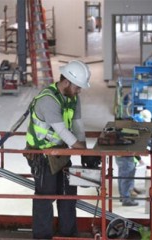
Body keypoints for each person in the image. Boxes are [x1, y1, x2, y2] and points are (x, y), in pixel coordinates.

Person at [25, 60, 91, 238]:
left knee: (68, 193)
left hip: (60, 153)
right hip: (41, 155)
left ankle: (68, 234)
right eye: (78, 87)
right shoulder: (48, 100)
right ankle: (42, 236)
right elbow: (62, 131)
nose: (79, 90)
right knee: (45, 197)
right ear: (67, 82)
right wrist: (82, 150)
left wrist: (84, 150)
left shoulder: (72, 97)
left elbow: (77, 124)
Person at [116, 109, 151, 207]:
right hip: (126, 156)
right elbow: (133, 145)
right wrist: (139, 158)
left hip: (119, 155)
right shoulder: (134, 127)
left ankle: (122, 196)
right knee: (127, 178)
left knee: (122, 177)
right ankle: (126, 199)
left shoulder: (130, 122)